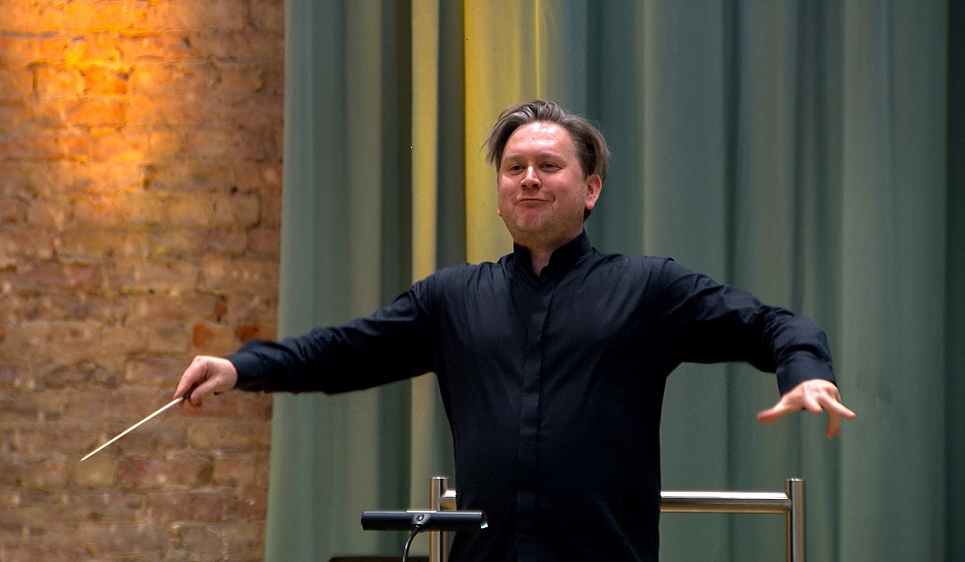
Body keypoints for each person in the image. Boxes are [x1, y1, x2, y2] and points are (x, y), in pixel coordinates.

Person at [174, 99, 856, 561]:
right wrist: (243, 368)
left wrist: (805, 369)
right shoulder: (450, 299)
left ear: (589, 189)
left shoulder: (649, 289)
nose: (530, 179)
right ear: (500, 188)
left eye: (549, 167)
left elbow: (771, 324)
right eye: (514, 168)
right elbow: (343, 352)